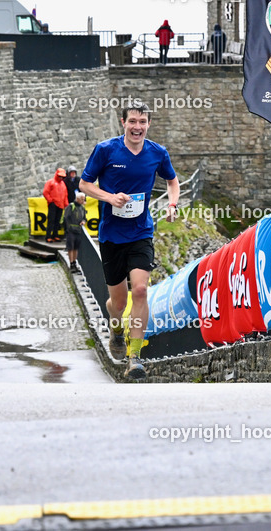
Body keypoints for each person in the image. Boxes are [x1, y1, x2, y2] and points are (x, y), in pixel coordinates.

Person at [79, 100, 180, 380]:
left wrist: (172, 204)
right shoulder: (106, 150)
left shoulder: (157, 153)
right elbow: (84, 184)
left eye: (143, 122)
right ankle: (116, 328)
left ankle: (135, 357)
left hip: (141, 232)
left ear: (149, 124)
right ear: (123, 122)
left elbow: (172, 181)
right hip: (111, 235)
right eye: (132, 121)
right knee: (118, 304)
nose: (138, 127)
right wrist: (110, 197)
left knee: (140, 290)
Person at [42, 168, 69, 243]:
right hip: (53, 204)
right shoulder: (50, 182)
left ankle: (55, 235)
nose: (61, 178)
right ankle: (48, 236)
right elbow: (45, 192)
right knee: (51, 220)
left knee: (57, 221)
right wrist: (50, 201)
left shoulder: (63, 184)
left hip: (60, 205)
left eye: (62, 177)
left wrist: (66, 204)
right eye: (60, 176)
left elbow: (65, 195)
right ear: (57, 175)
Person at [63, 191, 87, 272]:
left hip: (78, 230)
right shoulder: (71, 206)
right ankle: (71, 263)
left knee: (76, 247)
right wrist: (68, 228)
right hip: (71, 231)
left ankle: (74, 263)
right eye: (82, 199)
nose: (83, 201)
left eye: (84, 199)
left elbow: (84, 217)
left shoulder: (82, 208)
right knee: (71, 247)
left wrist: (83, 221)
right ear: (78, 199)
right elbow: (66, 217)